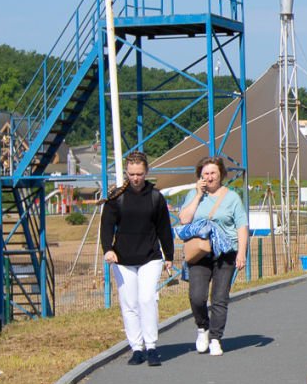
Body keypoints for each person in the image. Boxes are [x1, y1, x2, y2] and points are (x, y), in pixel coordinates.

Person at [101, 151, 174, 366]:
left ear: (146, 172)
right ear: (126, 172)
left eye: (139, 174)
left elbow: (164, 228)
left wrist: (169, 256)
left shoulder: (155, 197)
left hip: (150, 257)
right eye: (131, 174)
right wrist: (108, 249)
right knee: (129, 303)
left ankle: (151, 346)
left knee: (147, 299)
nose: (135, 178)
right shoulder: (116, 197)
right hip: (122, 259)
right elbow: (106, 226)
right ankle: (136, 348)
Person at [176, 155, 248, 356]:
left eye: (213, 173)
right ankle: (203, 327)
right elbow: (184, 219)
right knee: (197, 296)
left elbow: (242, 226)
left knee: (220, 297)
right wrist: (198, 196)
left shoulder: (232, 197)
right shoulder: (193, 194)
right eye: (205, 173)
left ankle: (216, 338)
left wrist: (241, 253)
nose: (209, 177)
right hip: (200, 251)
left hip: (226, 252)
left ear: (221, 174)